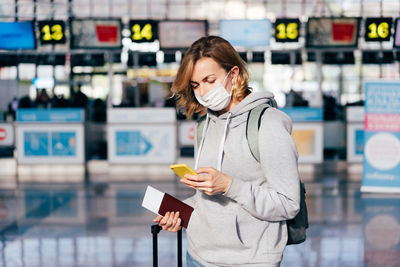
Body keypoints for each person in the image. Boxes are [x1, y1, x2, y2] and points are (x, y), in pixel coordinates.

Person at [153, 36, 301, 267]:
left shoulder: (267, 124)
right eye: (195, 85)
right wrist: (181, 214)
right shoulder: (205, 125)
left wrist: (230, 185)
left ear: (233, 74)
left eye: (209, 80)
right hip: (198, 256)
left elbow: (288, 204)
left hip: (248, 261)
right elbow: (209, 201)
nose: (202, 92)